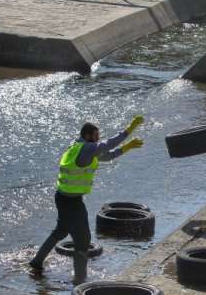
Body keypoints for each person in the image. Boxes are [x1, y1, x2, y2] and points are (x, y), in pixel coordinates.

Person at [29, 115, 144, 284]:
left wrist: (126, 148)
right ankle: (80, 280)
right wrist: (129, 129)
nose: (98, 140)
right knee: (83, 242)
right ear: (88, 135)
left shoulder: (78, 148)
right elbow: (108, 144)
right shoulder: (86, 148)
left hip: (64, 198)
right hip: (70, 202)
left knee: (60, 232)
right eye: (96, 136)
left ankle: (36, 263)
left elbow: (107, 155)